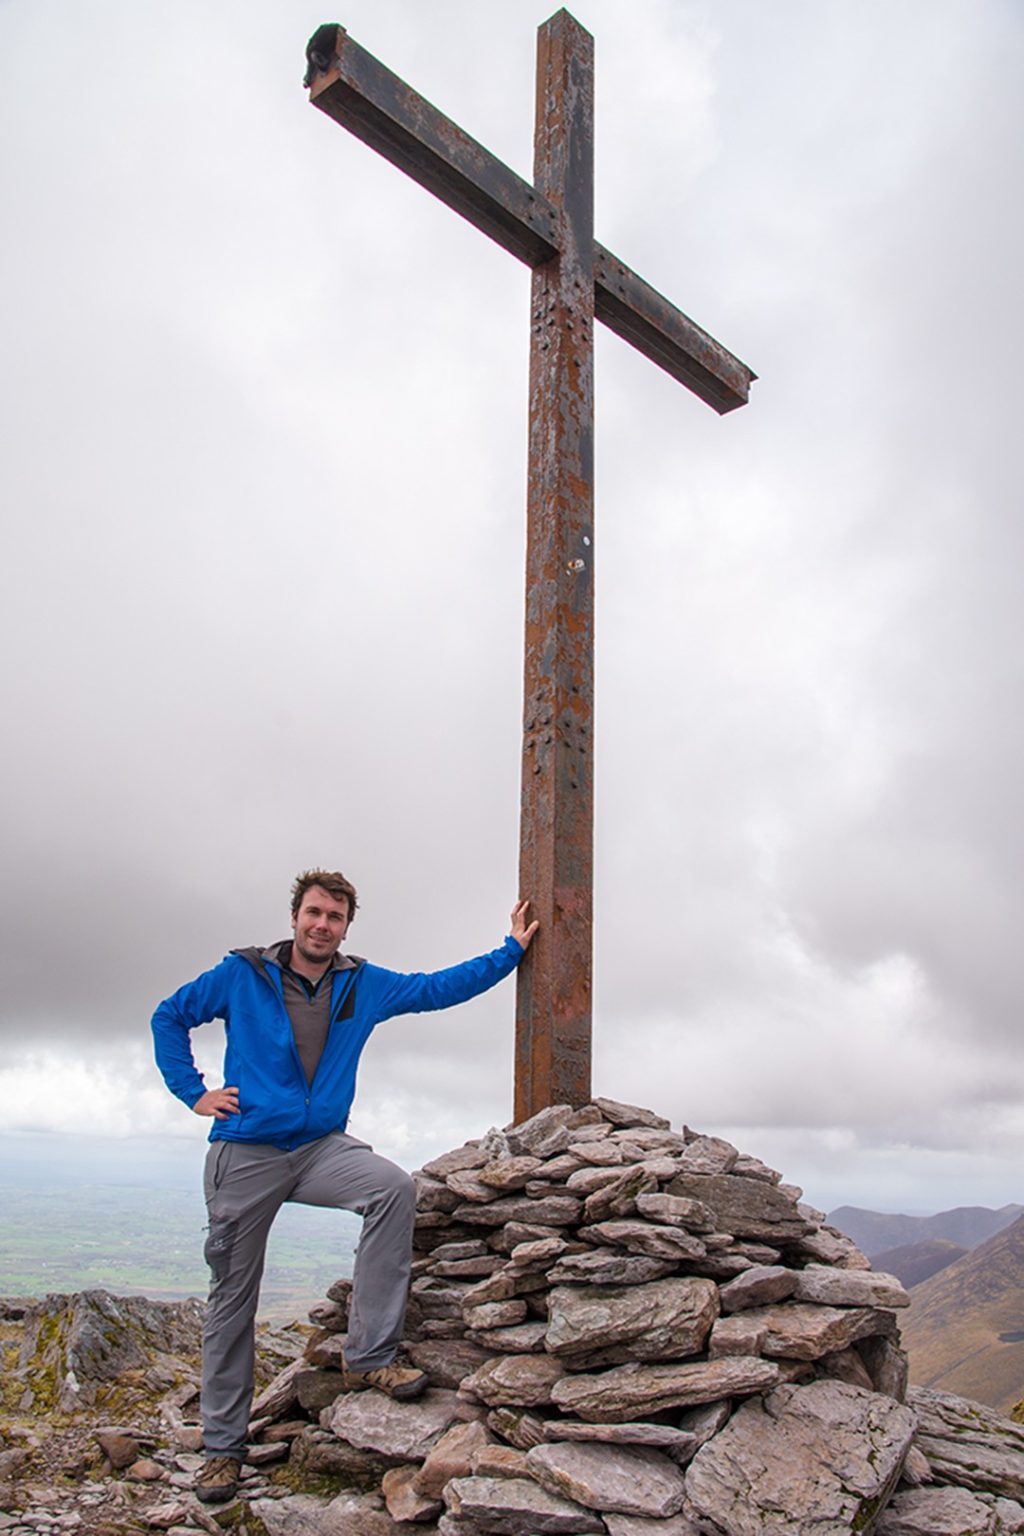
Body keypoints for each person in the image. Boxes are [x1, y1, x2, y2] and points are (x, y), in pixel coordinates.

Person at [152, 868, 537, 1505]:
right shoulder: (243, 974)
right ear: (295, 917)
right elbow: (170, 1016)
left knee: (391, 1188)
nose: (321, 925)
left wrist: (510, 951)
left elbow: (436, 988)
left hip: (319, 1146)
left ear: (346, 927)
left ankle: (371, 1352)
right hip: (246, 1152)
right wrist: (194, 1094)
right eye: (313, 913)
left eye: (334, 917)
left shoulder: (363, 984)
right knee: (232, 1300)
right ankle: (222, 1450)